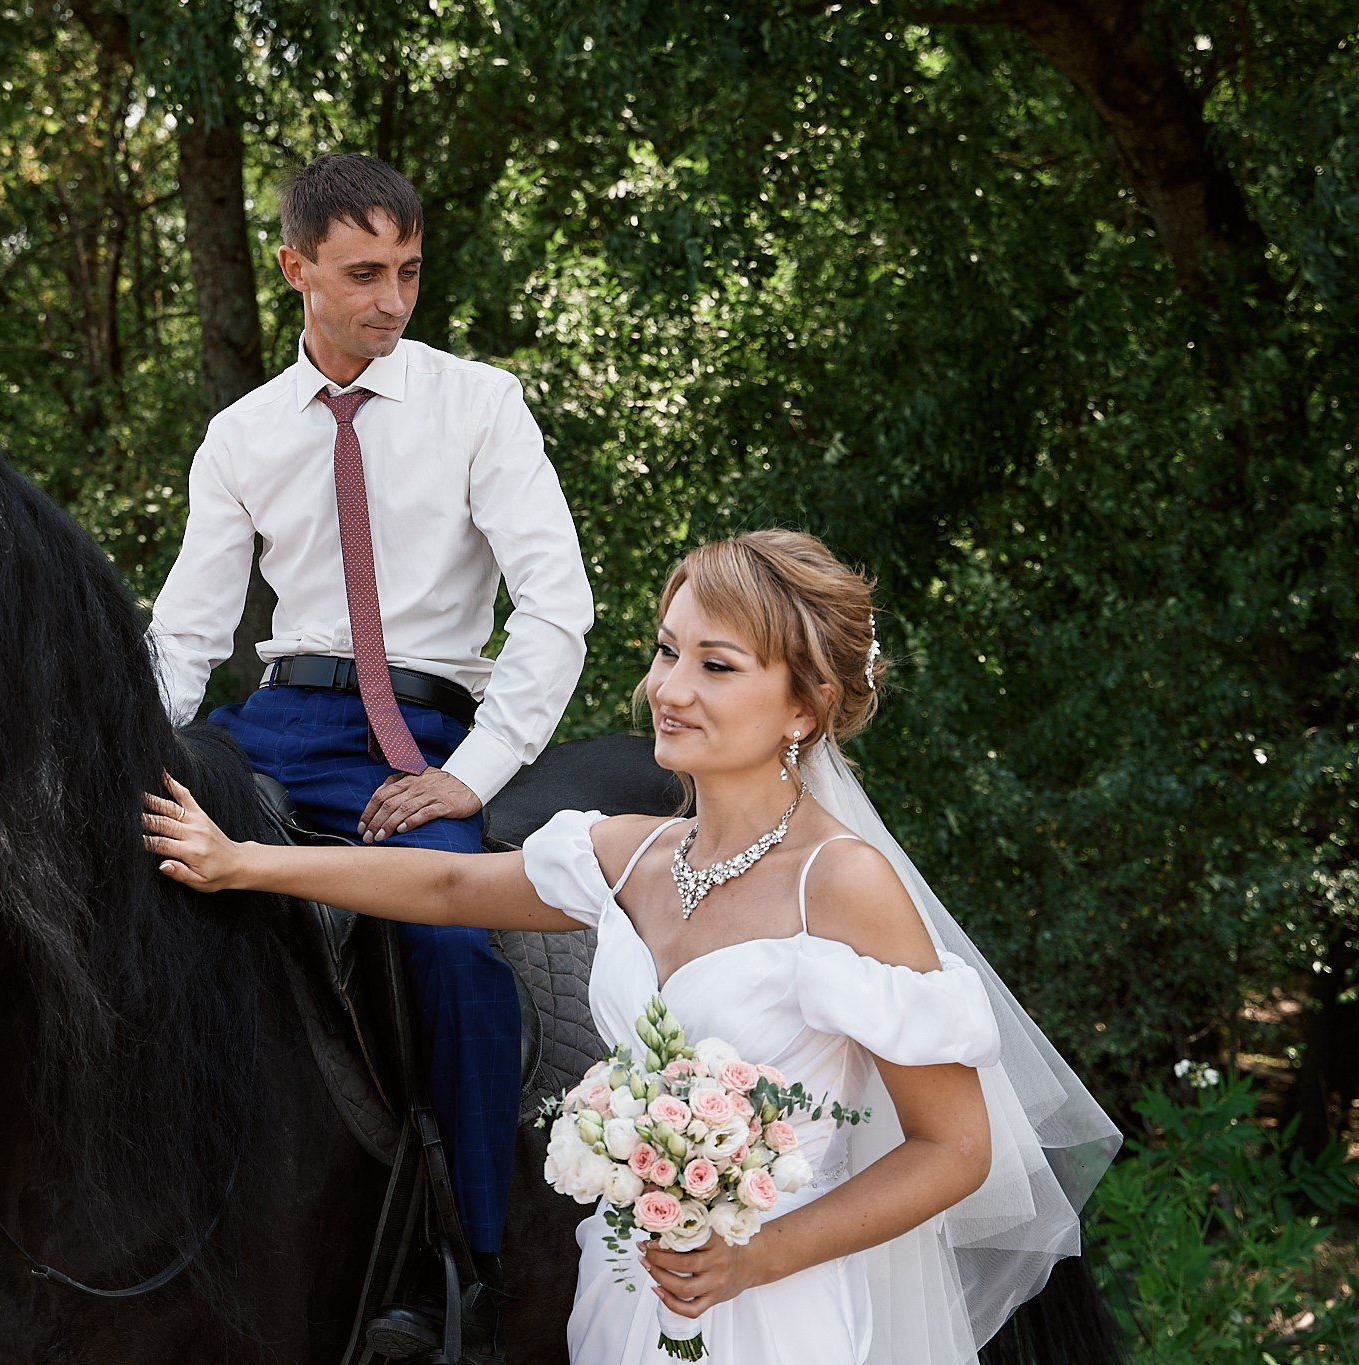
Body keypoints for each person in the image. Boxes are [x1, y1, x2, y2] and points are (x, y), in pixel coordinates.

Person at [143, 530, 1120, 1365]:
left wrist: (754, 1259)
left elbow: (952, 1149)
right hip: (622, 1300)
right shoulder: (624, 853)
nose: (669, 688)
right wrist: (242, 864)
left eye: (715, 664)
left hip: (776, 1314)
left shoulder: (845, 883)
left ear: (802, 708)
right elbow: (444, 884)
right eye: (664, 651)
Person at [146, 153, 595, 1358]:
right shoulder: (240, 435)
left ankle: (474, 1257)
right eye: (361, 274)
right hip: (277, 725)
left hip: (426, 730)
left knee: (449, 945)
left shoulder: (477, 405)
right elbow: (187, 631)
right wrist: (136, 768)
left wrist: (475, 775)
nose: (391, 299)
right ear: (294, 268)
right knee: (141, 893)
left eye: (405, 271)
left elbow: (557, 605)